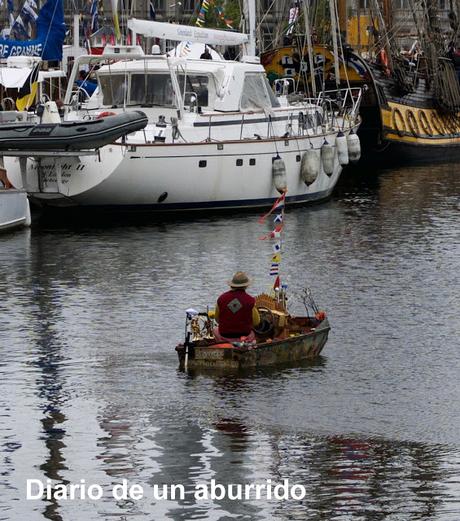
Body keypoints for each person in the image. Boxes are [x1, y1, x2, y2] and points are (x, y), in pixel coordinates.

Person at [213, 271, 260, 342]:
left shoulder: (221, 298)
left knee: (215, 330)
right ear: (246, 286)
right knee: (253, 333)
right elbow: (256, 322)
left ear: (232, 285)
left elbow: (217, 319)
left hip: (224, 336)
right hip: (244, 336)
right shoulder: (250, 300)